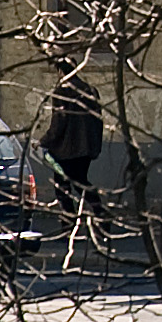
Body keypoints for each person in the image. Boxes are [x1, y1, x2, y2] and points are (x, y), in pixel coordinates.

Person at [43, 64, 106, 211]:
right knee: (81, 182)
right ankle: (99, 211)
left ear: (60, 71)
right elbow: (98, 120)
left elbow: (58, 123)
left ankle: (69, 221)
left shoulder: (61, 93)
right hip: (86, 148)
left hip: (65, 150)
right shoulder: (90, 91)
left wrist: (44, 141)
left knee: (63, 187)